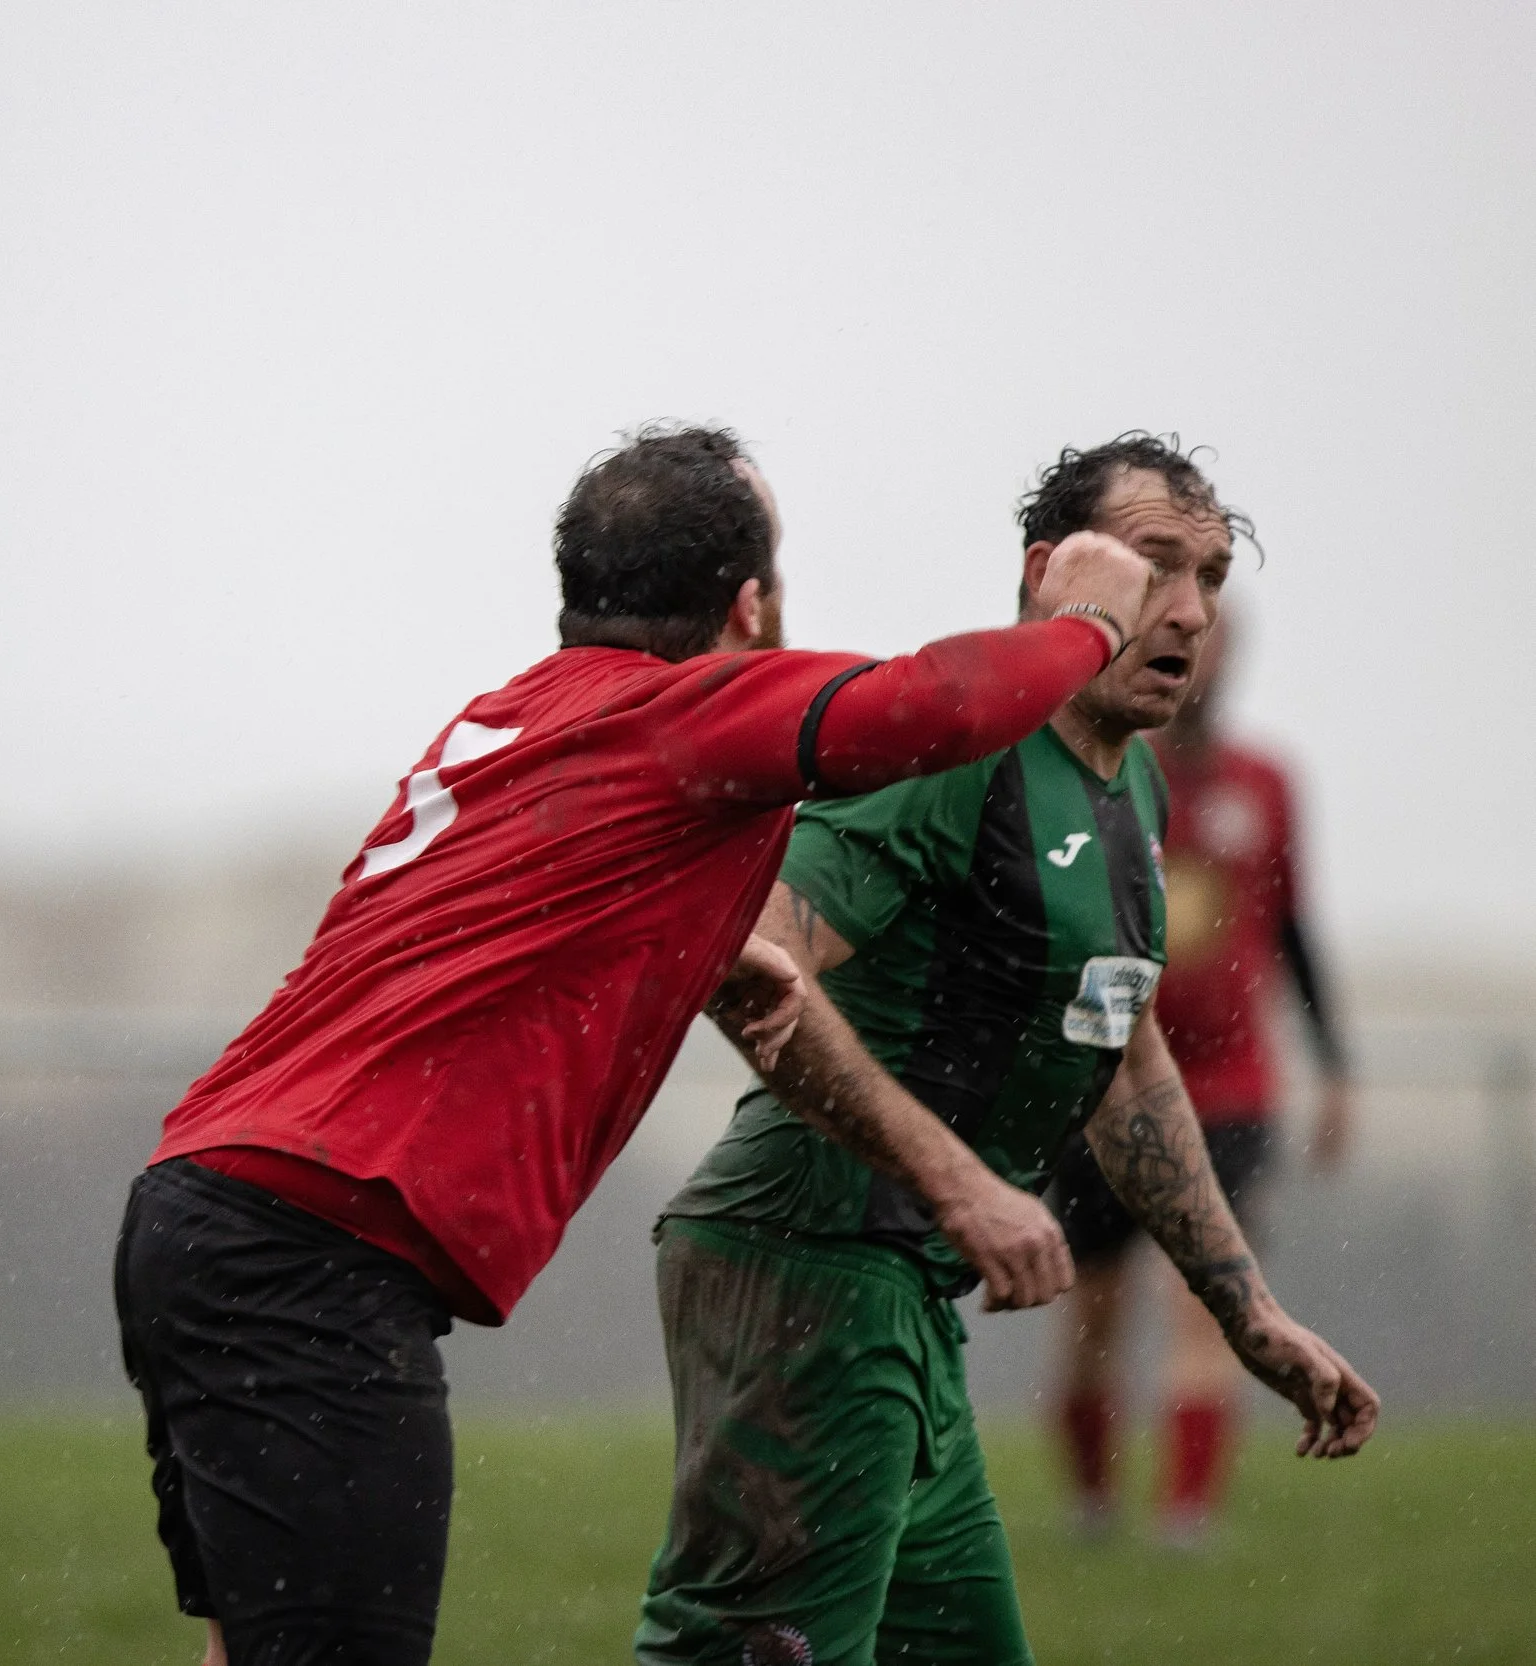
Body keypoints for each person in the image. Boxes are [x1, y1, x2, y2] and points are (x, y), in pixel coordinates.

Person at [115, 423, 1153, 1666]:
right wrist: (1088, 616)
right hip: (313, 1249)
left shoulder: (510, 715)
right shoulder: (683, 715)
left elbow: (489, 922)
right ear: (749, 602)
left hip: (200, 1205)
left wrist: (701, 947)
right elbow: (935, 704)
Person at [640, 434, 1378, 1666]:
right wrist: (960, 1178)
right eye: (1152, 565)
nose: (1187, 609)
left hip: (903, 1297)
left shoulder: (1128, 789)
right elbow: (748, 960)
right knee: (742, 1655)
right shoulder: (947, 746)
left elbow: (1127, 1061)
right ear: (1051, 576)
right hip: (804, 1264)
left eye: (1209, 575)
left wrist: (1245, 1308)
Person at [1047, 604, 1354, 1545]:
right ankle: (1095, 1505)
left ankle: (1186, 1518)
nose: (1201, 653)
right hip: (1102, 1076)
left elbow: (1295, 926)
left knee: (1208, 1293)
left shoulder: (1264, 783)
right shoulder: (1100, 772)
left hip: (1231, 1086)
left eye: (1219, 633)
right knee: (1094, 1314)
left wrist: (1334, 1065)